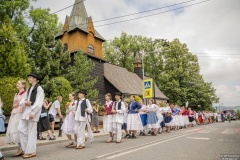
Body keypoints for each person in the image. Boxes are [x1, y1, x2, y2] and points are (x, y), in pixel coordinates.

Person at [18, 73, 44, 158]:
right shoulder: (29, 88)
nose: (28, 79)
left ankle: (31, 151)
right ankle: (26, 149)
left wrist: (33, 113)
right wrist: (25, 102)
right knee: (20, 129)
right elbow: (22, 101)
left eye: (30, 77)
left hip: (33, 113)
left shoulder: (39, 89)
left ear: (35, 79)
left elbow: (39, 103)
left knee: (32, 132)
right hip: (26, 113)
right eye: (28, 77)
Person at [5, 80, 26, 156]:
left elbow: (25, 104)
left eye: (18, 83)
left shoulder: (25, 93)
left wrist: (18, 105)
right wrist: (14, 105)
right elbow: (14, 103)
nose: (17, 84)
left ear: (23, 85)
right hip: (15, 113)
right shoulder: (16, 94)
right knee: (15, 129)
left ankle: (22, 148)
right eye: (17, 83)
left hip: (21, 113)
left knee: (20, 130)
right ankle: (20, 148)